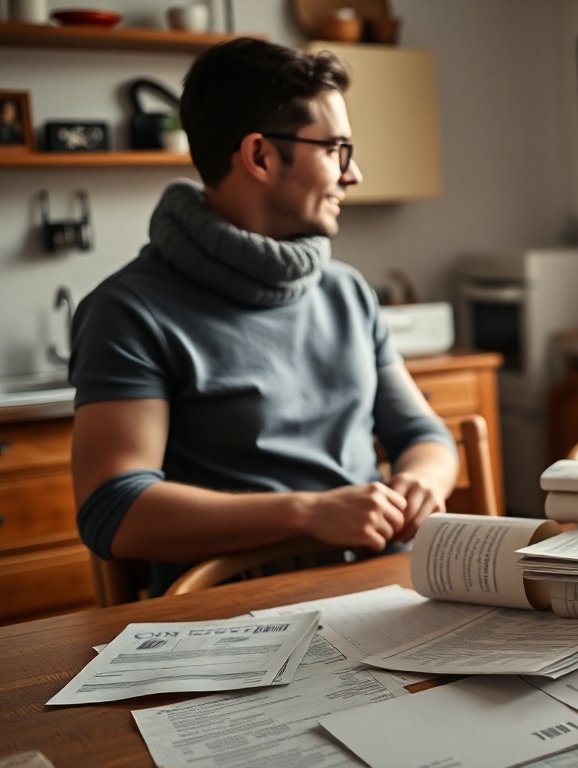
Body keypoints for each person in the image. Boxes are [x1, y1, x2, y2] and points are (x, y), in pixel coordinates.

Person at [69, 39, 458, 596]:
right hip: (235, 615)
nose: (353, 174)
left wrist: (421, 480)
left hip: (380, 590)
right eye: (336, 150)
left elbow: (422, 434)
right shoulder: (128, 311)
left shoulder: (347, 291)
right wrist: (308, 513)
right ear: (260, 156)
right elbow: (115, 507)